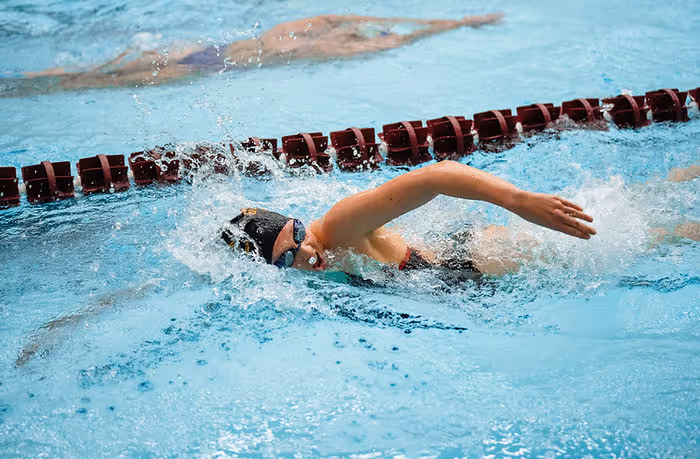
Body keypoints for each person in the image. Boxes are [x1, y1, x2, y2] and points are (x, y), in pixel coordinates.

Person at [221, 161, 700, 278]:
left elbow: (438, 174)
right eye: (289, 260)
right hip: (453, 268)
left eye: (300, 236)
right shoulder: (316, 266)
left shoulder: (339, 226)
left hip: (477, 258)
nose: (308, 253)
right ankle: (679, 177)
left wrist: (520, 200)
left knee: (635, 238)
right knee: (614, 211)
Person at [6, 13, 503, 94]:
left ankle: (32, 79)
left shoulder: (320, 24)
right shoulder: (341, 44)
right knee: (98, 82)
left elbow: (409, 27)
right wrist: (460, 24)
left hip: (206, 51)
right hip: (218, 64)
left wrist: (453, 21)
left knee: (95, 73)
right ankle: (33, 86)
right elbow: (411, 34)